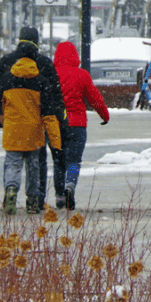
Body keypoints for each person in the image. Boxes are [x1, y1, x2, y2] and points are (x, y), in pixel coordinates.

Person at [0, 26, 67, 215]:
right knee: (36, 163)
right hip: (35, 126)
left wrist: (1, 118)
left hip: (12, 124)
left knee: (12, 162)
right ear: (37, 42)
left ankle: (9, 192)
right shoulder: (43, 65)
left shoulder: (7, 62)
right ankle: (35, 200)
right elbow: (54, 95)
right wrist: (59, 119)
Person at [51, 38, 109, 211]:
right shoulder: (82, 74)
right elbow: (94, 98)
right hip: (77, 125)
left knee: (58, 161)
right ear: (75, 56)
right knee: (74, 160)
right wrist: (104, 115)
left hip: (56, 124)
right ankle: (70, 185)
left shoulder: (51, 74)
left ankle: (60, 196)